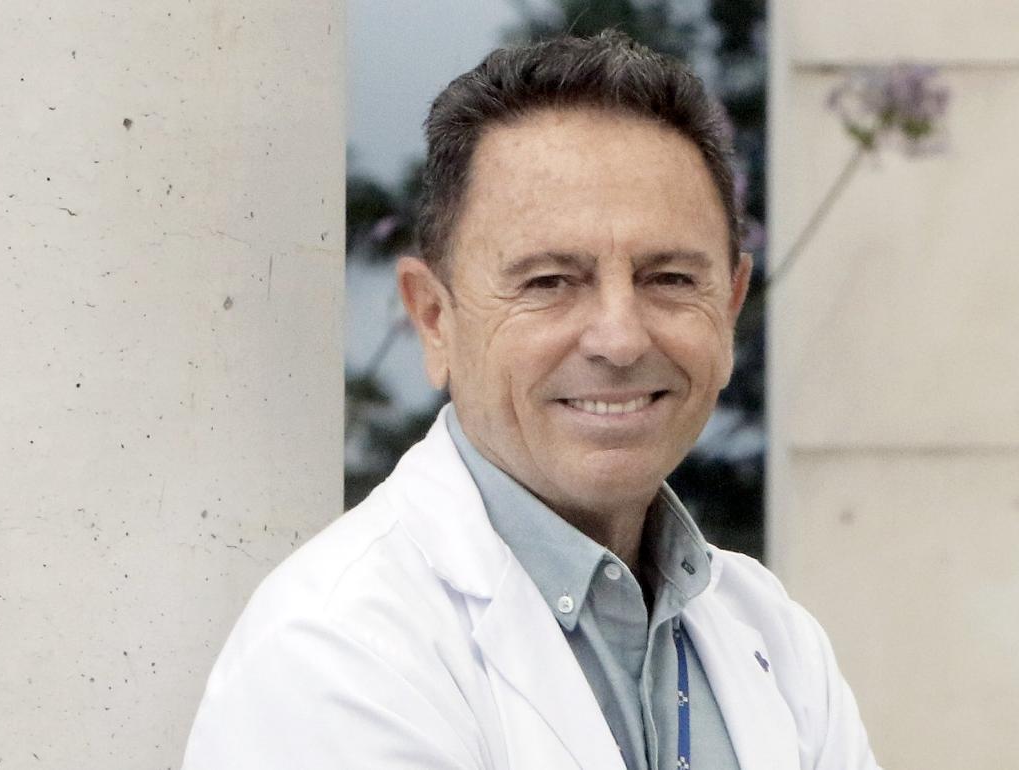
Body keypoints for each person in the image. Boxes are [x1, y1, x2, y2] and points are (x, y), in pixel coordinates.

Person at [183, 31, 880, 770]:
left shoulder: (778, 640)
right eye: (549, 282)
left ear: (730, 308)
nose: (619, 339)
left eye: (670, 279)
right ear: (433, 319)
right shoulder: (337, 650)